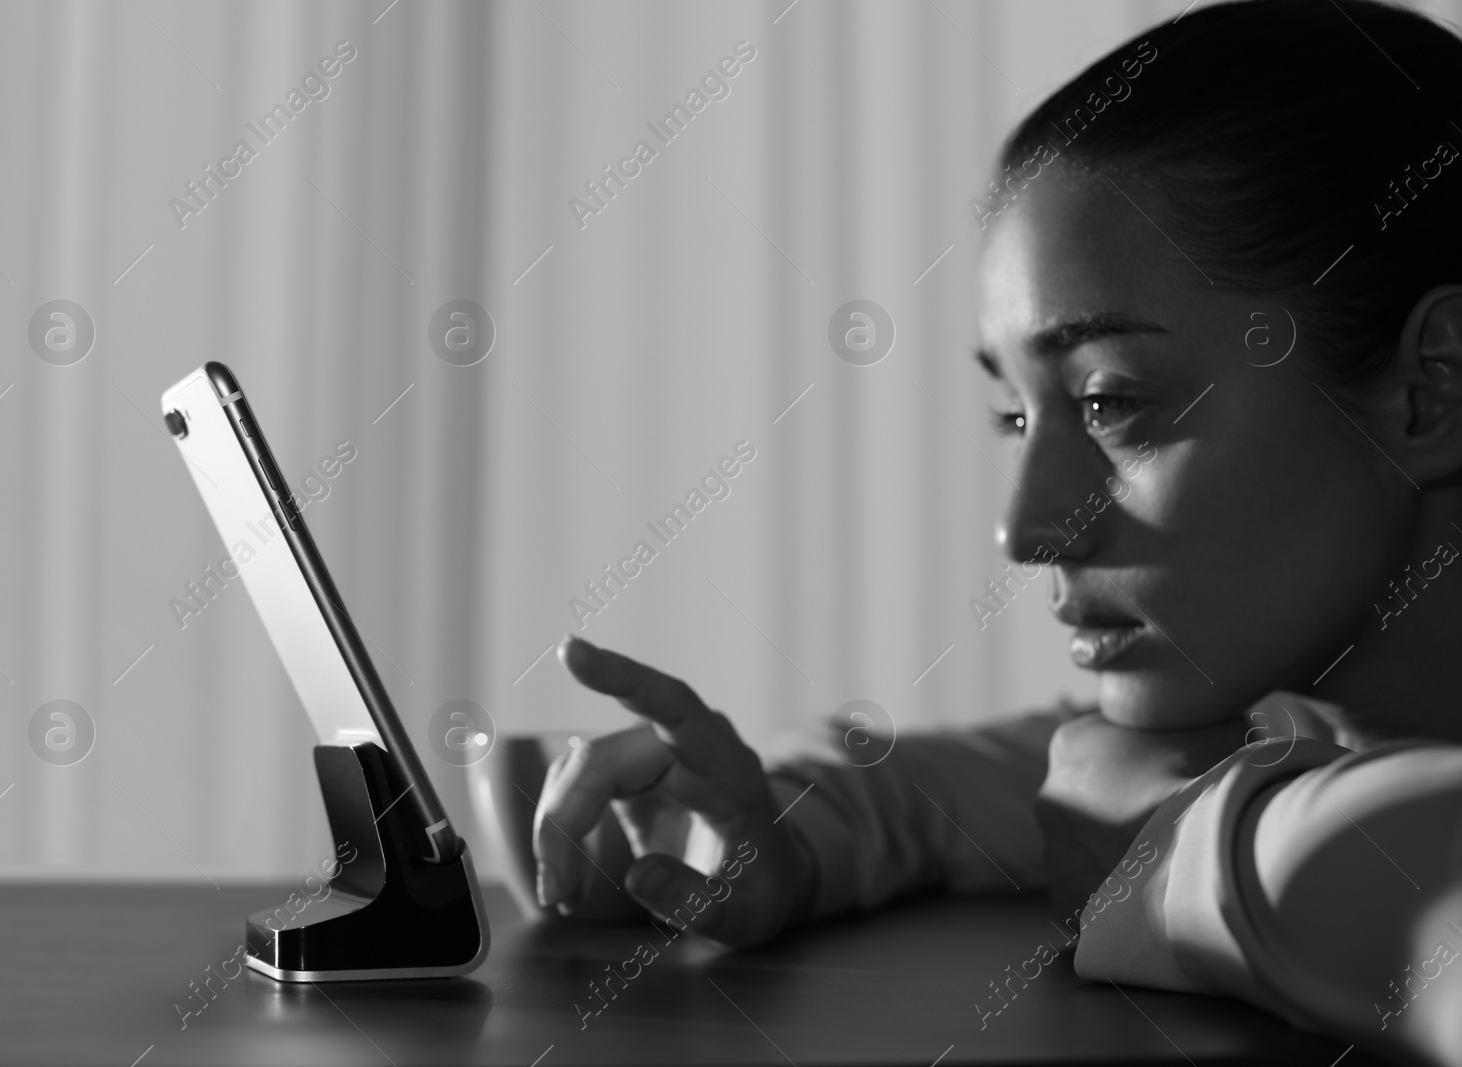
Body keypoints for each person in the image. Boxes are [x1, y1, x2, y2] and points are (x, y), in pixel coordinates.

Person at [532, 0, 1462, 1061]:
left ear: (1433, 385)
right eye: (1013, 415)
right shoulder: (1272, 720)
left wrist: (1184, 853)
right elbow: (1027, 781)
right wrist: (764, 833)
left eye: (1110, 400)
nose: (1023, 530)